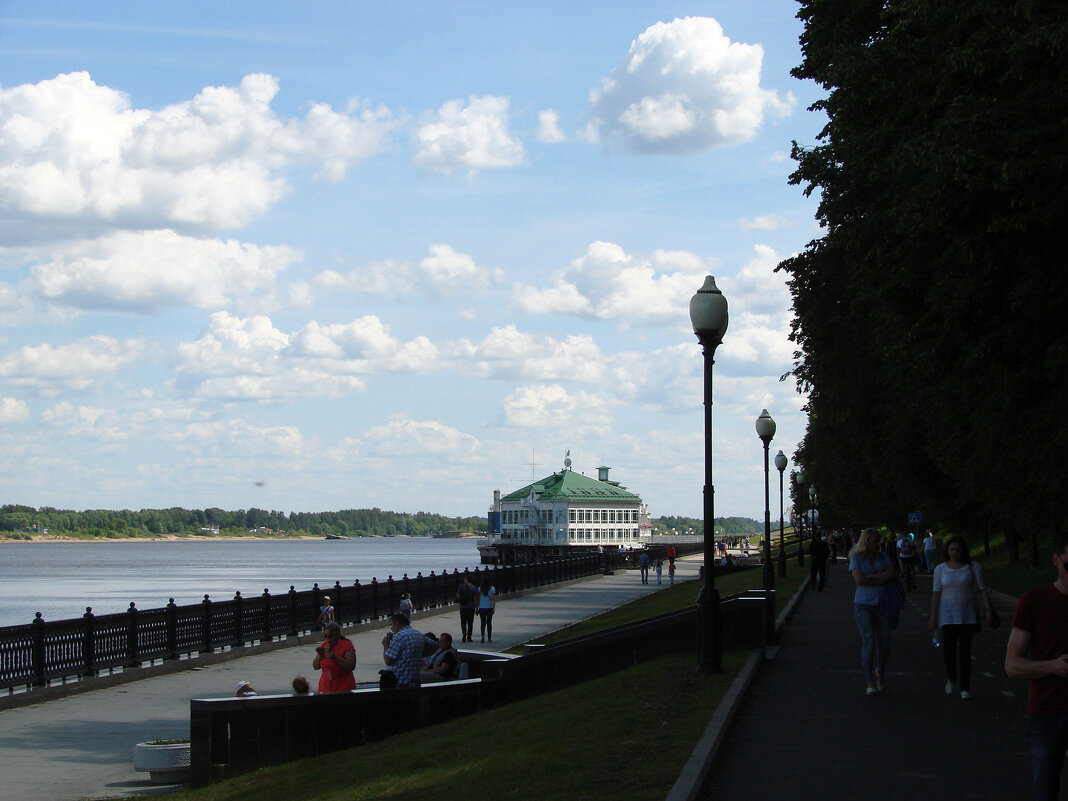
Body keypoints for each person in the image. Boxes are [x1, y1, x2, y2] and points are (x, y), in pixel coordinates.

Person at [1006, 533, 1068, 800]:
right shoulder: (1035, 602)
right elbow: (1012, 664)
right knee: (1044, 789)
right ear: (1056, 560)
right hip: (1048, 711)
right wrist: (1053, 666)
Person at [929, 536, 992, 699]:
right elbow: (936, 594)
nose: (955, 552)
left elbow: (981, 588)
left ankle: (965, 687)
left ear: (962, 550)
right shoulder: (940, 569)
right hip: (947, 616)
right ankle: (951, 677)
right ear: (947, 551)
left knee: (965, 651)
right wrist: (933, 617)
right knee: (948, 652)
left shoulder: (972, 567)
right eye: (952, 549)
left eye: (957, 549)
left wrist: (988, 608)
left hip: (967, 616)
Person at [848, 528, 899, 696]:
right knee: (869, 642)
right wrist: (880, 578)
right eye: (875, 541)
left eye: (879, 541)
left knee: (885, 644)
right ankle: (869, 680)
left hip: (883, 604)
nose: (879, 544)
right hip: (863, 605)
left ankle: (880, 672)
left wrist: (871, 577)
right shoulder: (857, 559)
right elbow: (859, 579)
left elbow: (892, 574)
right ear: (867, 542)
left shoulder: (883, 557)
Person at [382, 612, 425, 688]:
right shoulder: (418, 634)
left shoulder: (400, 636)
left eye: (392, 625)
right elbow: (434, 645)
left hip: (400, 682)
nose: (391, 628)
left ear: (397, 623)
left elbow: (388, 660)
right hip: (415, 682)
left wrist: (386, 645)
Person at [313, 622, 356, 693]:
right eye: (325, 636)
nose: (328, 639)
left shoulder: (347, 645)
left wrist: (335, 657)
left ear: (337, 635)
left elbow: (351, 666)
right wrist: (320, 655)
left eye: (330, 636)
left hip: (343, 688)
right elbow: (315, 667)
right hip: (325, 688)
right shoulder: (324, 645)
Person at [456, 574, 478, 642]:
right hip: (471, 607)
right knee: (470, 622)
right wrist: (476, 608)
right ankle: (469, 636)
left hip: (463, 607)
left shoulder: (461, 586)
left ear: (467, 580)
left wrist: (461, 600)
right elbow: (475, 599)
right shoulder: (474, 588)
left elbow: (457, 595)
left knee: (463, 622)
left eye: (465, 579)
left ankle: (464, 634)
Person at [477, 575, 496, 643]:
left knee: (482, 622)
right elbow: (493, 599)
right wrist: (494, 608)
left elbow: (478, 599)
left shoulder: (480, 588)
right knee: (489, 623)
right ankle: (489, 638)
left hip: (482, 607)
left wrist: (477, 607)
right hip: (489, 607)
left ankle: (482, 636)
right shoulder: (492, 588)